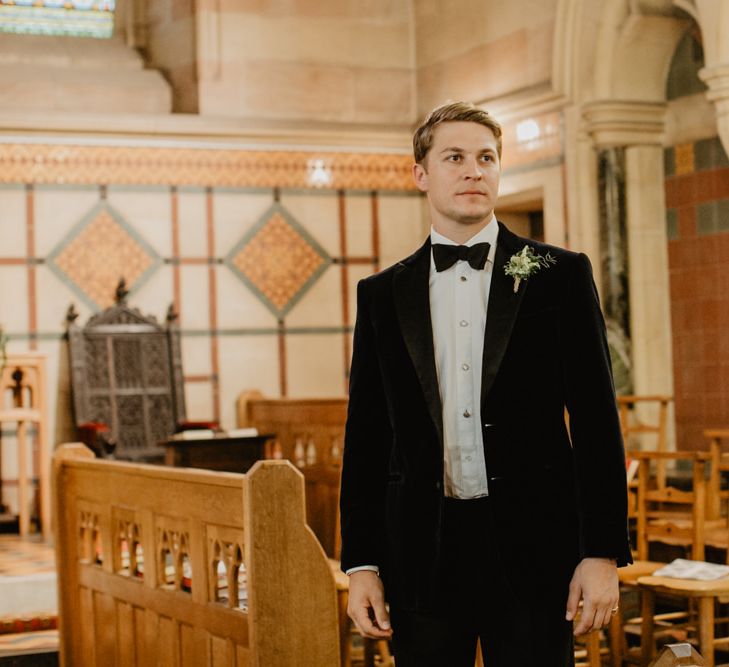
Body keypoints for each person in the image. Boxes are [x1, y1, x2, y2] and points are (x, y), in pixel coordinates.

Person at [339, 101, 632, 666]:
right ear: (421, 174)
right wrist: (361, 565)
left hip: (536, 547)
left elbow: (597, 422)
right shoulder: (381, 293)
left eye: (486, 157)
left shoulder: (559, 275)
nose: (474, 170)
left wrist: (600, 553)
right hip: (422, 553)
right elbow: (368, 438)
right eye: (455, 157)